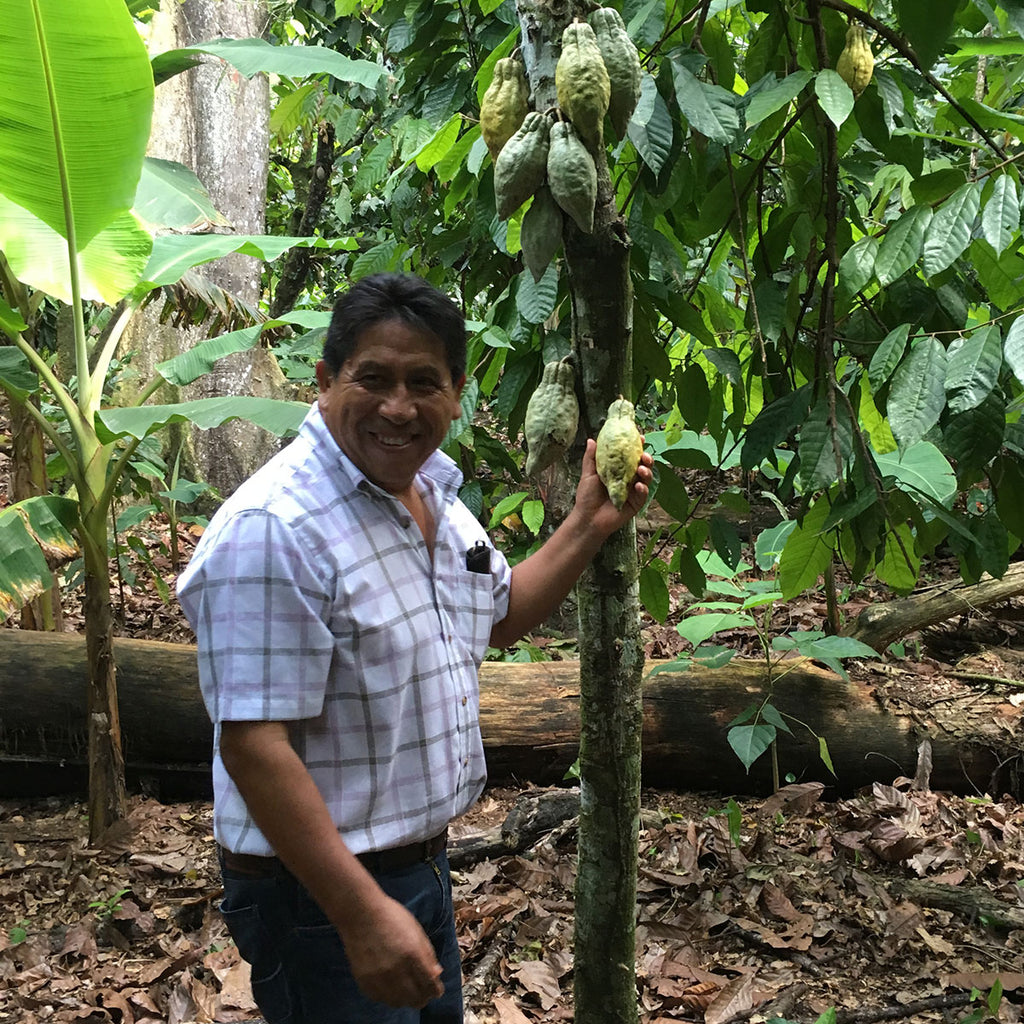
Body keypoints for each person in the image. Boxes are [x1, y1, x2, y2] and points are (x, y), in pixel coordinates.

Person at [176, 271, 653, 1024]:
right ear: (326, 380)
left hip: (419, 867)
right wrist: (360, 913)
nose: (398, 407)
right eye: (374, 378)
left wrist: (591, 521)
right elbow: (253, 745)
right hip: (319, 895)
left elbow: (496, 616)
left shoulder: (431, 495)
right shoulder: (274, 528)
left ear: (457, 392)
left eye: (423, 382)